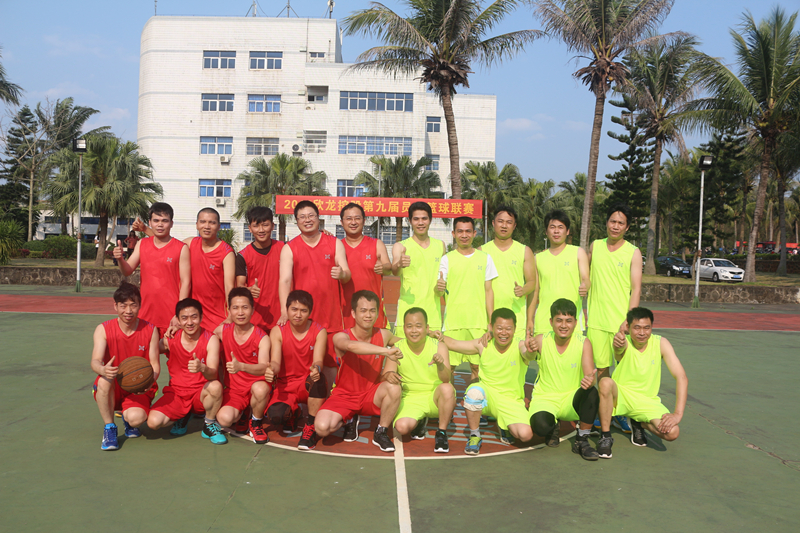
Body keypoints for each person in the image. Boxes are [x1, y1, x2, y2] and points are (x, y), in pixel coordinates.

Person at [314, 290, 403, 453]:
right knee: (322, 428)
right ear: (354, 313)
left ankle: (381, 431)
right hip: (344, 396)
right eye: (363, 311)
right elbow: (352, 346)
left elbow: (408, 342)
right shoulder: (341, 337)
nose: (368, 315)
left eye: (372, 310)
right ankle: (350, 417)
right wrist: (385, 351)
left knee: (394, 387)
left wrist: (430, 334)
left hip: (371, 395)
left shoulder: (384, 335)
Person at [440, 308, 535, 455]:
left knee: (525, 435)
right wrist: (433, 334)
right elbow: (453, 343)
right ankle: (474, 436)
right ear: (491, 327)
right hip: (487, 396)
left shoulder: (519, 345)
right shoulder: (483, 344)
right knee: (473, 393)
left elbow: (528, 355)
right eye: (499, 328)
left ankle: (503, 425)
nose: (504, 333)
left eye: (508, 329)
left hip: (510, 400)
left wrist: (530, 350)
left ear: (515, 329)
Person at [596, 307, 688, 459]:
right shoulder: (623, 342)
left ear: (652, 327)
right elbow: (619, 349)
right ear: (628, 327)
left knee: (672, 433)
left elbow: (681, 377)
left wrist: (677, 415)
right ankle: (605, 436)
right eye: (637, 328)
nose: (642, 333)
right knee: (605, 382)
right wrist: (618, 342)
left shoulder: (661, 343)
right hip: (622, 396)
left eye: (646, 328)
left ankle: (638, 423)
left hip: (647, 401)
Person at [278, 200, 350, 391]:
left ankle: (328, 400)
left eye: (311, 216)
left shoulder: (334, 243)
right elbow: (284, 280)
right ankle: (305, 402)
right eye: (302, 217)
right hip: (303, 318)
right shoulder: (289, 248)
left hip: (331, 316)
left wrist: (342, 274)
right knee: (305, 362)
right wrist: (284, 311)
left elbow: (347, 273)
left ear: (319, 218)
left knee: (330, 363)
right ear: (296, 221)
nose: (307, 220)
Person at [587, 203, 642, 433]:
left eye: (621, 223)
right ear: (606, 222)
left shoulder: (633, 252)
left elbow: (636, 288)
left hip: (620, 324)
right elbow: (582, 276)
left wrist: (629, 321)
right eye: (613, 221)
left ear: (627, 227)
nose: (616, 226)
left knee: (622, 372)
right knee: (602, 371)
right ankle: (604, 412)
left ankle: (621, 412)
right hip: (596, 322)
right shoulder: (595, 246)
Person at [135, 208, 235, 333]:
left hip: (216, 316)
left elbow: (229, 286)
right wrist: (145, 229)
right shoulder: (190, 243)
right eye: (203, 222)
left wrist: (231, 315)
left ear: (219, 226)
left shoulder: (226, 253)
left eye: (212, 223)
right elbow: (168, 244)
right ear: (197, 225)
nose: (207, 226)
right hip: (191, 315)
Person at [146, 298, 227, 445]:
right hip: (177, 394)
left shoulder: (211, 339)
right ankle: (182, 416)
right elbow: (148, 349)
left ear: (201, 317)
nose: (189, 322)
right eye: (184, 318)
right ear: (177, 320)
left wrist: (202, 368)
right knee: (153, 423)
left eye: (194, 317)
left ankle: (209, 424)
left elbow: (213, 374)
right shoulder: (170, 339)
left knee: (215, 386)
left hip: (200, 394)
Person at [90, 282, 160, 451]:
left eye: (133, 305)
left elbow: (155, 365)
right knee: (104, 380)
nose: (128, 311)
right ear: (115, 306)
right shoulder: (103, 329)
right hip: (114, 384)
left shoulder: (150, 330)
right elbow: (95, 361)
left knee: (136, 419)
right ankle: (109, 427)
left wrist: (149, 381)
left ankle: (128, 420)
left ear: (140, 306)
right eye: (123, 306)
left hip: (138, 385)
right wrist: (102, 369)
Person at [527, 298, 599, 461]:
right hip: (545, 398)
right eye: (559, 320)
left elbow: (590, 375)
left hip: (570, 399)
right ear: (551, 322)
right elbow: (528, 356)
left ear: (575, 323)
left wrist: (590, 380)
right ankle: (553, 426)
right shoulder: (541, 340)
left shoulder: (583, 343)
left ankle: (582, 440)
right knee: (540, 427)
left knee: (592, 393)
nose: (564, 325)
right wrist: (528, 350)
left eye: (568, 320)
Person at [115, 203, 191, 336]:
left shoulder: (181, 248)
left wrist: (180, 313)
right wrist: (120, 259)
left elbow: (186, 283)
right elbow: (127, 270)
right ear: (150, 223)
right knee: (145, 349)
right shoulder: (142, 244)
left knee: (171, 349)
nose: (160, 225)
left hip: (171, 315)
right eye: (156, 220)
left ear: (171, 223)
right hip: (145, 314)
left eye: (164, 221)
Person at [266, 290, 328, 451]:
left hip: (306, 382)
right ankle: (294, 412)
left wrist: (316, 368)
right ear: (286, 309)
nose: (298, 314)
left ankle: (310, 426)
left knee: (319, 379)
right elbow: (275, 361)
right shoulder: (277, 331)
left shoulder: (319, 331)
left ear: (310, 312)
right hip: (285, 385)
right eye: (294, 309)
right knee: (276, 416)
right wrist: (272, 369)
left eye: (303, 310)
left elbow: (318, 360)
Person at [387, 307, 455, 453]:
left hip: (434, 397)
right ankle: (419, 420)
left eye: (418, 326)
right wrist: (389, 375)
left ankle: (442, 433)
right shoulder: (397, 348)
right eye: (409, 326)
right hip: (411, 398)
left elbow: (446, 379)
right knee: (401, 427)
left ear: (427, 328)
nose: (414, 331)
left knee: (447, 388)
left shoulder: (439, 346)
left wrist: (440, 365)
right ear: (404, 328)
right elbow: (386, 374)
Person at [438, 216, 496, 382]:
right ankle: (449, 397)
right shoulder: (446, 259)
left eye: (468, 231)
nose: (464, 235)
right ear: (454, 234)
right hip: (453, 323)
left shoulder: (485, 258)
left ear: (474, 233)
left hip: (478, 323)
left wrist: (491, 321)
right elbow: (439, 289)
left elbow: (489, 291)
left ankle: (473, 397)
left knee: (477, 369)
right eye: (460, 231)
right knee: (449, 369)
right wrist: (439, 287)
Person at [214, 288, 274, 444]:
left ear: (252, 310)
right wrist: (175, 331)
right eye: (235, 308)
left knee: (260, 389)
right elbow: (202, 339)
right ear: (229, 310)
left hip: (256, 385)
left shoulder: (262, 337)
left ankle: (256, 422)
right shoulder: (222, 331)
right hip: (235, 390)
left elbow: (263, 367)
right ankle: (244, 411)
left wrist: (241, 366)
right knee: (224, 419)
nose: (240, 312)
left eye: (245, 307)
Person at [531, 209, 590, 336]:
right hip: (543, 323)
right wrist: (530, 319)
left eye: (560, 227)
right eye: (552, 227)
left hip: (571, 322)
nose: (556, 231)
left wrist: (585, 286)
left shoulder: (578, 252)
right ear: (546, 231)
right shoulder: (537, 258)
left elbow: (586, 278)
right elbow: (535, 292)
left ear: (567, 231)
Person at [480, 206, 536, 340]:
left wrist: (523, 290)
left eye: (509, 222)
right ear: (493, 223)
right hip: (488, 321)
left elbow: (532, 282)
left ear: (514, 226)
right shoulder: (481, 252)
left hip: (517, 319)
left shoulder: (524, 251)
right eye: (500, 221)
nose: (504, 226)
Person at [392, 202, 446, 331]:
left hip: (432, 315)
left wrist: (441, 287)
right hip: (407, 314)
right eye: (416, 219)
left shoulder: (440, 245)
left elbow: (442, 277)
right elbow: (395, 271)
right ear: (410, 221)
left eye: (424, 218)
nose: (420, 223)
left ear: (430, 220)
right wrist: (400, 264)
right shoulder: (400, 246)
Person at [339, 202, 391, 329]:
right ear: (342, 222)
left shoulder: (376, 244)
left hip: (372, 312)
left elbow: (388, 267)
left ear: (364, 221)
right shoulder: (336, 247)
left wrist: (383, 268)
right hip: (345, 313)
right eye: (349, 218)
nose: (353, 222)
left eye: (357, 218)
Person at [236, 206, 284, 332]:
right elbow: (239, 285)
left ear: (272, 226)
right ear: (250, 228)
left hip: (283, 319)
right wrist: (248, 290)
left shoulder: (285, 249)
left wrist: (319, 233)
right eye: (256, 226)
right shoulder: (242, 256)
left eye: (265, 225)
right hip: (255, 321)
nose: (261, 230)